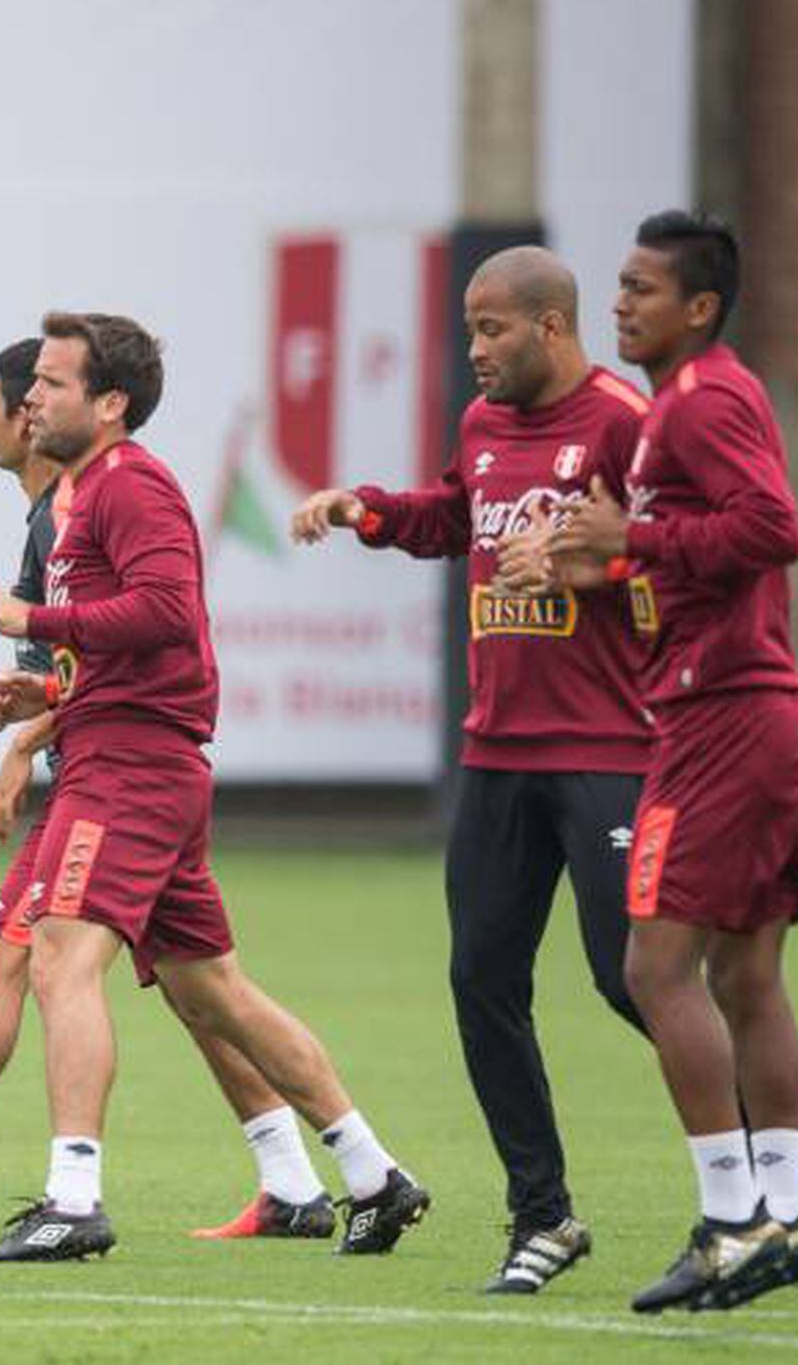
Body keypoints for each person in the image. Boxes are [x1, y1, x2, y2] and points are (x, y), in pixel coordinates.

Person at [0, 312, 426, 1261]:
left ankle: (73, 1196)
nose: (31, 398)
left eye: (52, 383)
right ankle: (374, 1174)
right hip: (125, 752)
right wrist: (32, 692)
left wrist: (35, 617)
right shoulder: (84, 496)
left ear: (109, 404)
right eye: (33, 384)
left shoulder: (132, 484)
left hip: (131, 765)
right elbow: (123, 637)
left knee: (56, 957)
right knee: (212, 993)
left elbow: (169, 612)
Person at [289, 247, 654, 1293]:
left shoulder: (622, 423)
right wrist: (368, 511)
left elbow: (688, 553)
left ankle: (747, 1189)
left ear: (550, 325)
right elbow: (457, 515)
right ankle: (542, 1216)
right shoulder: (485, 428)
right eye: (467, 329)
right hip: (496, 753)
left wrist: (603, 559)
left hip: (604, 750)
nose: (475, 350)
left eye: (491, 330)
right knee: (482, 983)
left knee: (638, 982)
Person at [497, 212, 798, 1312]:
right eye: (620, 286)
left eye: (643, 289)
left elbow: (770, 527)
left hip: (720, 721)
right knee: (742, 974)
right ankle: (783, 1214)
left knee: (653, 970)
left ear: (700, 308)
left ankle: (731, 1224)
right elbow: (693, 555)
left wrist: (629, 544)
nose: (623, 303)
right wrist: (602, 565)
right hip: (754, 710)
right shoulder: (683, 406)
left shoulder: (704, 397)